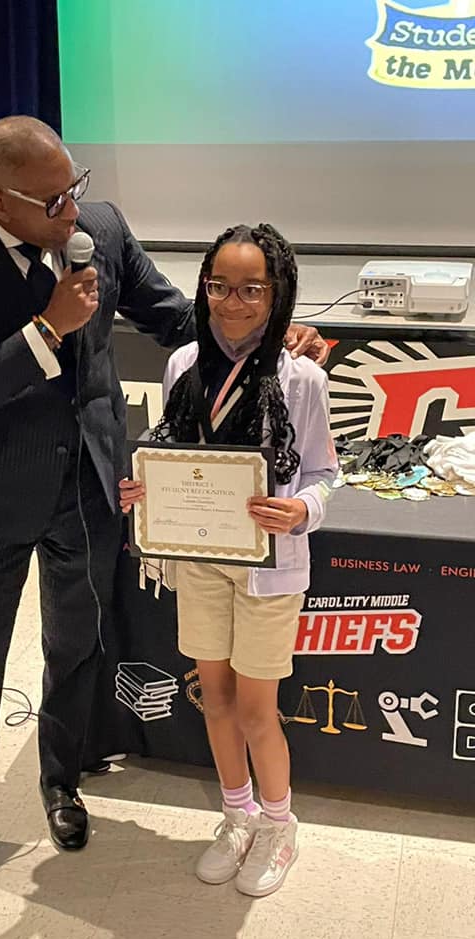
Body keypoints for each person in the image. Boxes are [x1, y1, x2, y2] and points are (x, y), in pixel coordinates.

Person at [0, 116, 329, 912]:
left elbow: (178, 318)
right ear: (0, 198)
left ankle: (62, 783)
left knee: (75, 648)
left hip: (91, 490)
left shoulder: (99, 229)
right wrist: (45, 330)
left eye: (75, 187)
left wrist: (272, 336)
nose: (72, 210)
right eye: (53, 201)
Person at [120, 223, 338, 897]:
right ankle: (237, 816)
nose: (233, 302)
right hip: (201, 560)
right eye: (220, 286)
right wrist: (146, 490)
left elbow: (325, 473)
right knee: (213, 698)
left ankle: (278, 825)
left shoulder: (302, 378)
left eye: (251, 289)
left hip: (270, 569)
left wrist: (301, 510)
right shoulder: (184, 364)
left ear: (277, 293)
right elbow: (174, 456)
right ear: (203, 287)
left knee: (255, 709)